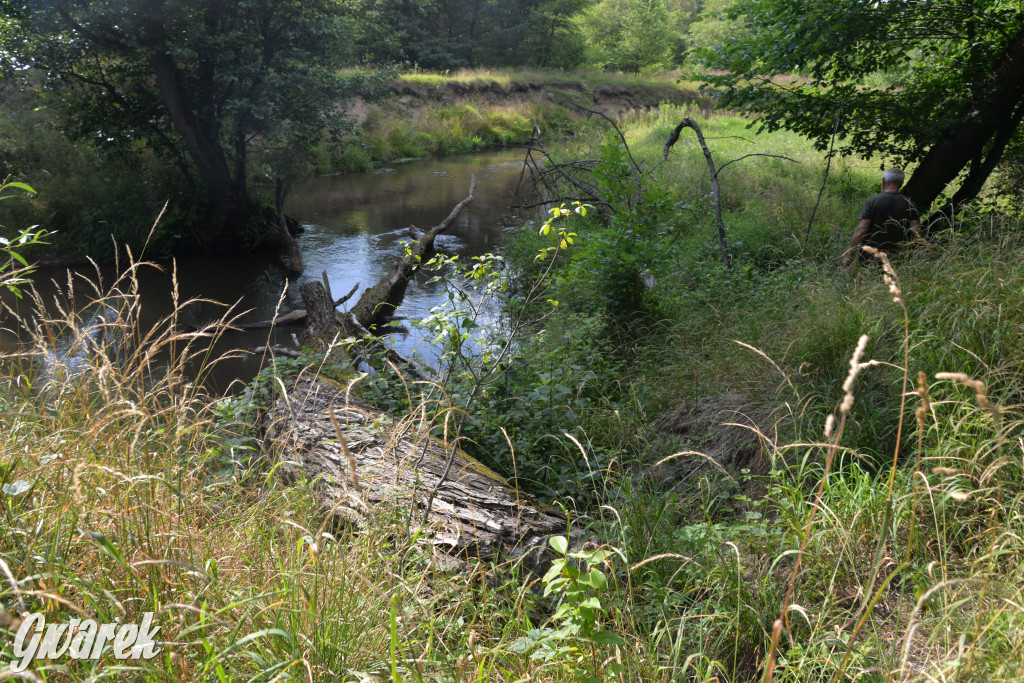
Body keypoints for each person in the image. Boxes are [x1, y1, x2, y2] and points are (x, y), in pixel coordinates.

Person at [842, 168, 922, 267]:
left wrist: (849, 256)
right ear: (901, 183)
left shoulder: (872, 201)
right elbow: (917, 231)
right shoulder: (910, 204)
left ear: (883, 181)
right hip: (898, 259)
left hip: (869, 259)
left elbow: (862, 229)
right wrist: (911, 255)